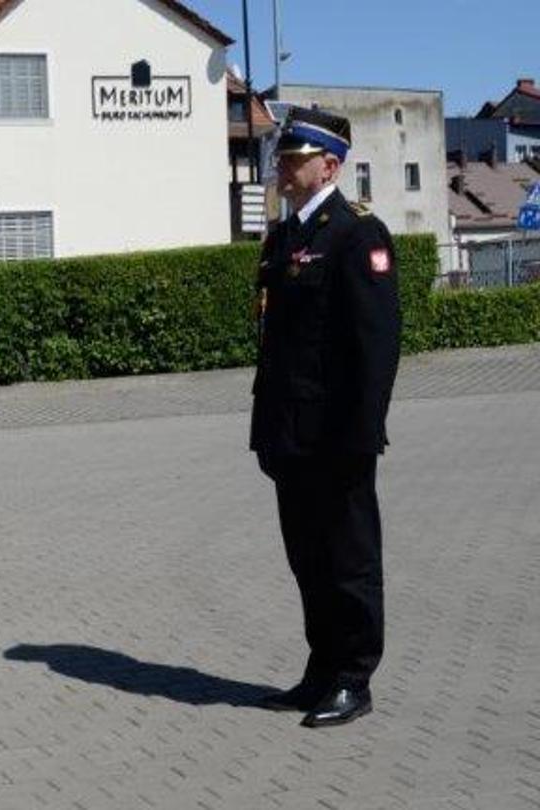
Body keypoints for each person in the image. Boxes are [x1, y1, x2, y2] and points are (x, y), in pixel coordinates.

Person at [251, 107, 400, 729]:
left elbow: (375, 347)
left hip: (337, 438)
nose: (283, 168)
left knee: (348, 557)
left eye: (294, 159)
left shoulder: (356, 235)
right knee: (306, 557)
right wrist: (266, 430)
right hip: (290, 436)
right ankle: (321, 665)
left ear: (329, 166)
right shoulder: (284, 239)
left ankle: (353, 676)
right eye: (282, 159)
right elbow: (278, 346)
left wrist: (361, 434)